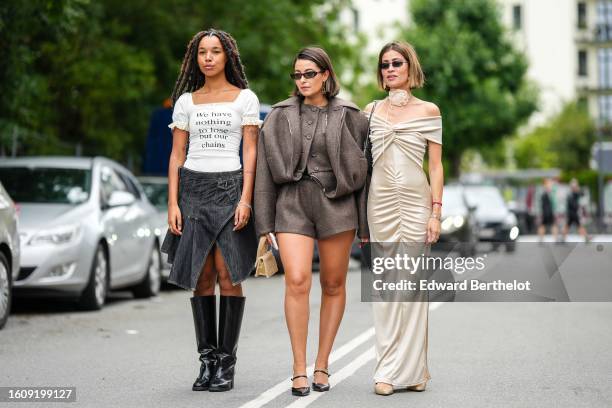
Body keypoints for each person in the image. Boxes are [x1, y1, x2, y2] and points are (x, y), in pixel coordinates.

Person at [254, 47, 369, 397]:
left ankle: (322, 363)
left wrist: (364, 226)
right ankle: (298, 368)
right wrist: (264, 224)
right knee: (298, 280)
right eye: (297, 75)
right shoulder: (278, 115)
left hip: (337, 204)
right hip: (291, 203)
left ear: (325, 76)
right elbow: (262, 172)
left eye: (309, 74)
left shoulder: (351, 115)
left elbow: (367, 171)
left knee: (333, 284)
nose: (302, 80)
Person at [160, 29, 262, 392]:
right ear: (195, 58)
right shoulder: (186, 101)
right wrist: (172, 202)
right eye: (202, 52)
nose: (208, 58)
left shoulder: (245, 98)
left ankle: (226, 365)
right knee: (200, 276)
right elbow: (176, 155)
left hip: (231, 187)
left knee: (227, 273)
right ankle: (207, 363)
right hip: (193, 191)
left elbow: (250, 152)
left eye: (215, 51)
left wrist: (246, 198)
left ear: (227, 56)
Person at [363, 41, 443, 396]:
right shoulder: (369, 112)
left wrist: (436, 212)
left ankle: (413, 370)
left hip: (416, 203)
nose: (390, 69)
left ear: (410, 67)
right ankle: (386, 369)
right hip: (379, 204)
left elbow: (436, 167)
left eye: (397, 63)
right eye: (384, 64)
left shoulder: (429, 111)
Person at [562, 178, 590, 243]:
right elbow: (571, 203)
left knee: (569, 225)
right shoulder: (571, 193)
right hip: (572, 212)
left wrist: (578, 189)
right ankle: (586, 237)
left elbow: (582, 194)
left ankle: (563, 238)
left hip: (573, 212)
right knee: (578, 225)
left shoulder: (575, 193)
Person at [537, 178, 558, 243]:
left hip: (547, 212)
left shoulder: (548, 192)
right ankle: (542, 238)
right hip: (547, 212)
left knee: (546, 225)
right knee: (550, 225)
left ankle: (542, 239)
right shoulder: (545, 193)